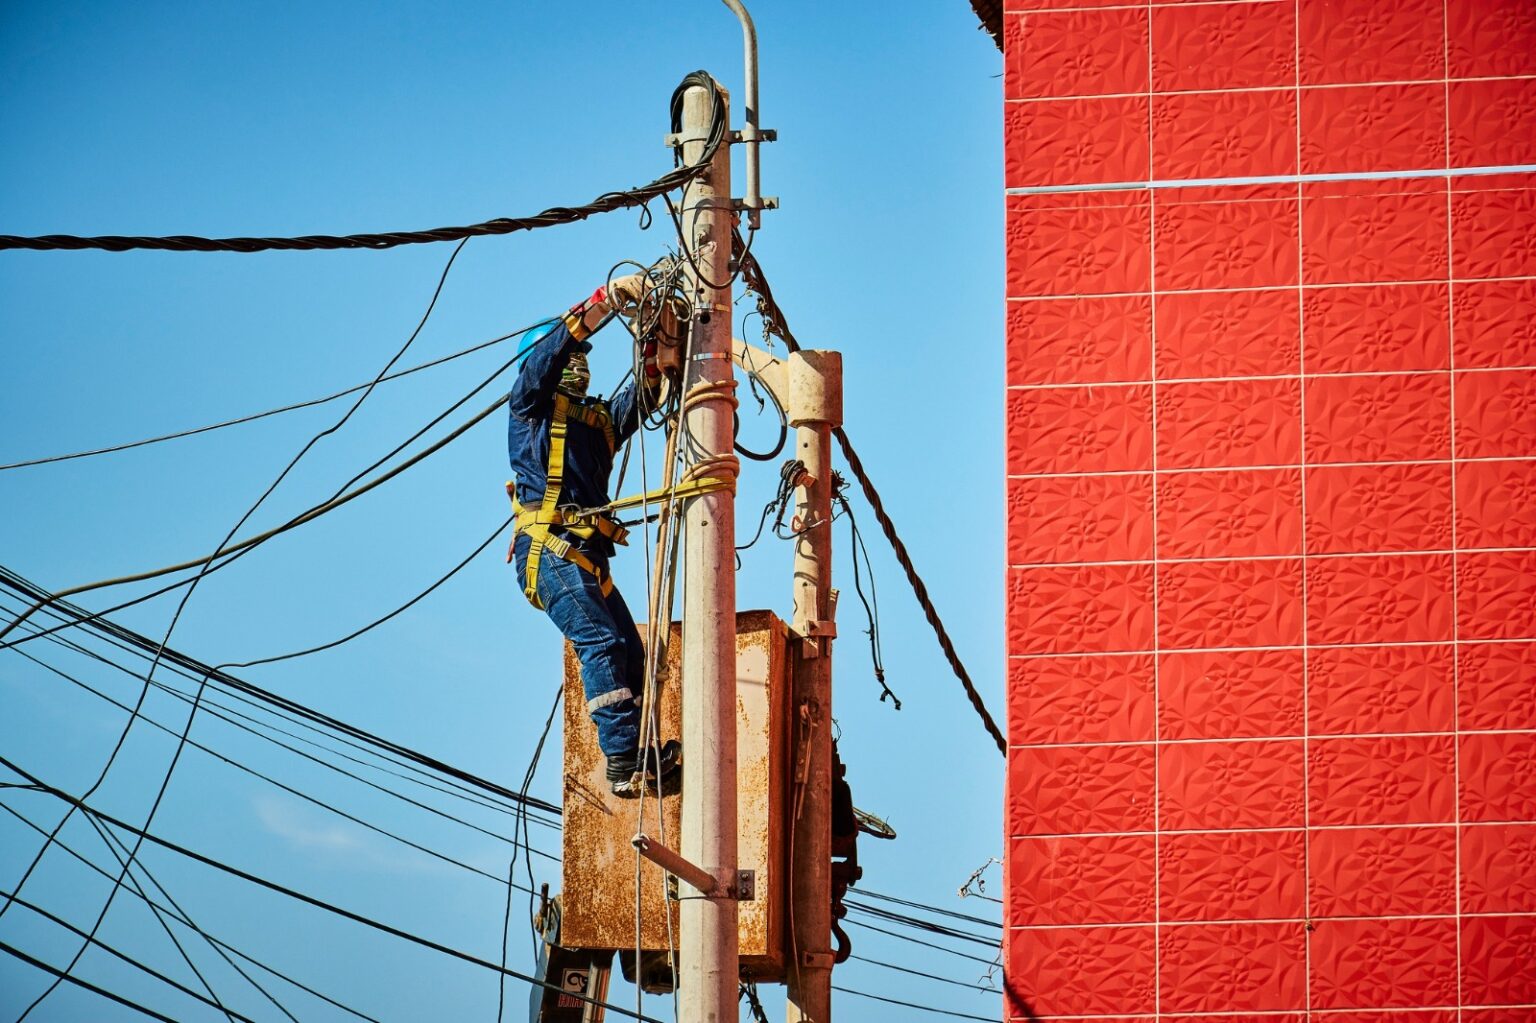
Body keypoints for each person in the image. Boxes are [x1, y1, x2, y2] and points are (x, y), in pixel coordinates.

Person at [506, 272, 681, 798]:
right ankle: (623, 760)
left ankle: (640, 755)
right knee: (600, 641)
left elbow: (646, 392)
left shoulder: (598, 420)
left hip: (586, 559)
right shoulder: (528, 408)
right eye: (571, 359)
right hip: (549, 552)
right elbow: (549, 358)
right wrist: (605, 304)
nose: (579, 367)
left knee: (630, 649)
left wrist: (661, 339)